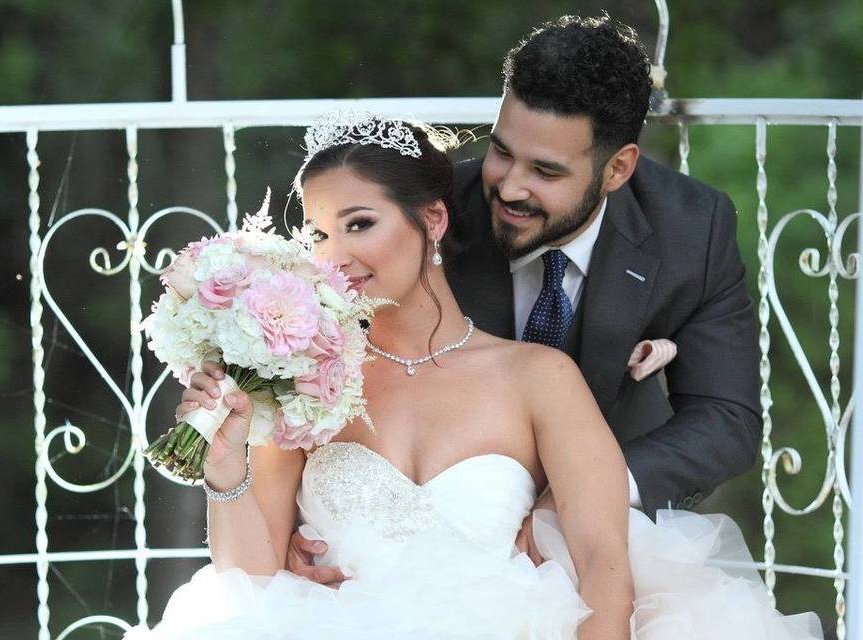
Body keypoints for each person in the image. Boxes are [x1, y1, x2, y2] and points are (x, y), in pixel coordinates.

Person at [125, 113, 822, 639]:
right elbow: (250, 585)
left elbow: (606, 564)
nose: (334, 255)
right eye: (315, 235)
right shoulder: (304, 380)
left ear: (432, 220)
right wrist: (225, 467)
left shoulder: (537, 376)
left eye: (358, 223)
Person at [287, 13, 764, 575]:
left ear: (617, 168)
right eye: (502, 152)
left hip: (610, 536)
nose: (510, 187)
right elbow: (331, 357)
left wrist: (582, 494)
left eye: (545, 171)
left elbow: (726, 418)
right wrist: (319, 533)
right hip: (422, 544)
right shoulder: (428, 214)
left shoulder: (692, 231)